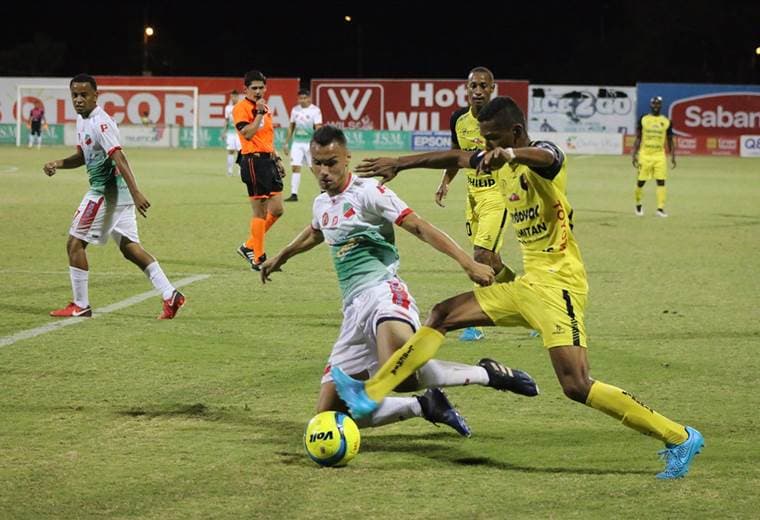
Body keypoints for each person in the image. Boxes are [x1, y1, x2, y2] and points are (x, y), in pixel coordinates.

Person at [332, 96, 704, 480]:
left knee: (576, 385)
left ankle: (679, 436)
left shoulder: (543, 160)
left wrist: (510, 153)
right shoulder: (496, 160)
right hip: (527, 285)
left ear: (515, 132)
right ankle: (371, 393)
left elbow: (547, 156)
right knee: (443, 313)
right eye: (484, 140)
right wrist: (401, 163)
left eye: (493, 139)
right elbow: (456, 157)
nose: (486, 147)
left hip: (559, 288)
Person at [260, 125, 538, 436]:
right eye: (318, 163)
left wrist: (468, 263)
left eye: (331, 163)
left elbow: (418, 226)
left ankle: (486, 374)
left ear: (347, 158)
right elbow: (316, 231)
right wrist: (281, 256)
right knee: (330, 415)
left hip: (383, 295)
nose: (324, 171)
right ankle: (424, 405)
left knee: (401, 372)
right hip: (352, 313)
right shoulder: (321, 203)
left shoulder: (369, 193)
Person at [43, 74, 185, 320]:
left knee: (75, 243)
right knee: (130, 248)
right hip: (118, 196)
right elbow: (82, 157)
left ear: (95, 96)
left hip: (105, 194)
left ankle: (80, 305)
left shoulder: (101, 123)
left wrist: (136, 192)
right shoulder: (82, 120)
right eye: (74, 95)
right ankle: (170, 294)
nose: (78, 99)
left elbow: (119, 157)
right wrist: (58, 163)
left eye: (84, 95)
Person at [435, 67, 513, 342]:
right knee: (493, 261)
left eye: (483, 86)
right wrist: (446, 181)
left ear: (492, 88)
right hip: (473, 197)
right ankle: (531, 300)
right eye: (473, 86)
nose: (478, 91)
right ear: (466, 89)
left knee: (480, 256)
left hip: (497, 196)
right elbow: (456, 155)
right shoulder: (458, 119)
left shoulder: (504, 120)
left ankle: (476, 322)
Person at [233, 70, 287, 271]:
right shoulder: (241, 108)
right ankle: (258, 258)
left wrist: (276, 158)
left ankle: (248, 246)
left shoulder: (264, 108)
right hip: (253, 162)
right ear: (245, 89)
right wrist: (259, 113)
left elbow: (267, 137)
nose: (258, 91)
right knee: (260, 212)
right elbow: (247, 134)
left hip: (268, 161)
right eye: (253, 88)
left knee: (277, 210)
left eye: (261, 87)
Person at [631, 96, 676, 217]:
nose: (656, 106)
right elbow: (638, 137)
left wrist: (673, 155)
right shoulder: (644, 119)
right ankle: (638, 204)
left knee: (661, 181)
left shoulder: (666, 121)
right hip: (645, 155)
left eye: (658, 104)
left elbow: (670, 139)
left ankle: (660, 209)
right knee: (641, 182)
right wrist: (634, 153)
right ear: (651, 105)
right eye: (654, 104)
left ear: (661, 106)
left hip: (659, 156)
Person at [282, 88, 323, 201]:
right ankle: (294, 194)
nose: (302, 100)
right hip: (297, 143)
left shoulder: (315, 110)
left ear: (309, 98)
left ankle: (323, 190)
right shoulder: (295, 110)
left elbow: (318, 127)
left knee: (314, 168)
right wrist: (286, 143)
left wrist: (318, 143)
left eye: (305, 98)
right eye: (300, 98)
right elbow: (291, 126)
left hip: (310, 143)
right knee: (295, 167)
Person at [223, 90, 241, 176]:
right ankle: (230, 171)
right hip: (230, 132)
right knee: (230, 151)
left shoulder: (241, 107)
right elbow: (226, 120)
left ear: (238, 97)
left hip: (240, 133)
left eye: (235, 96)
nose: (233, 98)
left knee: (240, 152)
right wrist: (224, 131)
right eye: (232, 97)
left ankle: (240, 171)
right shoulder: (228, 108)